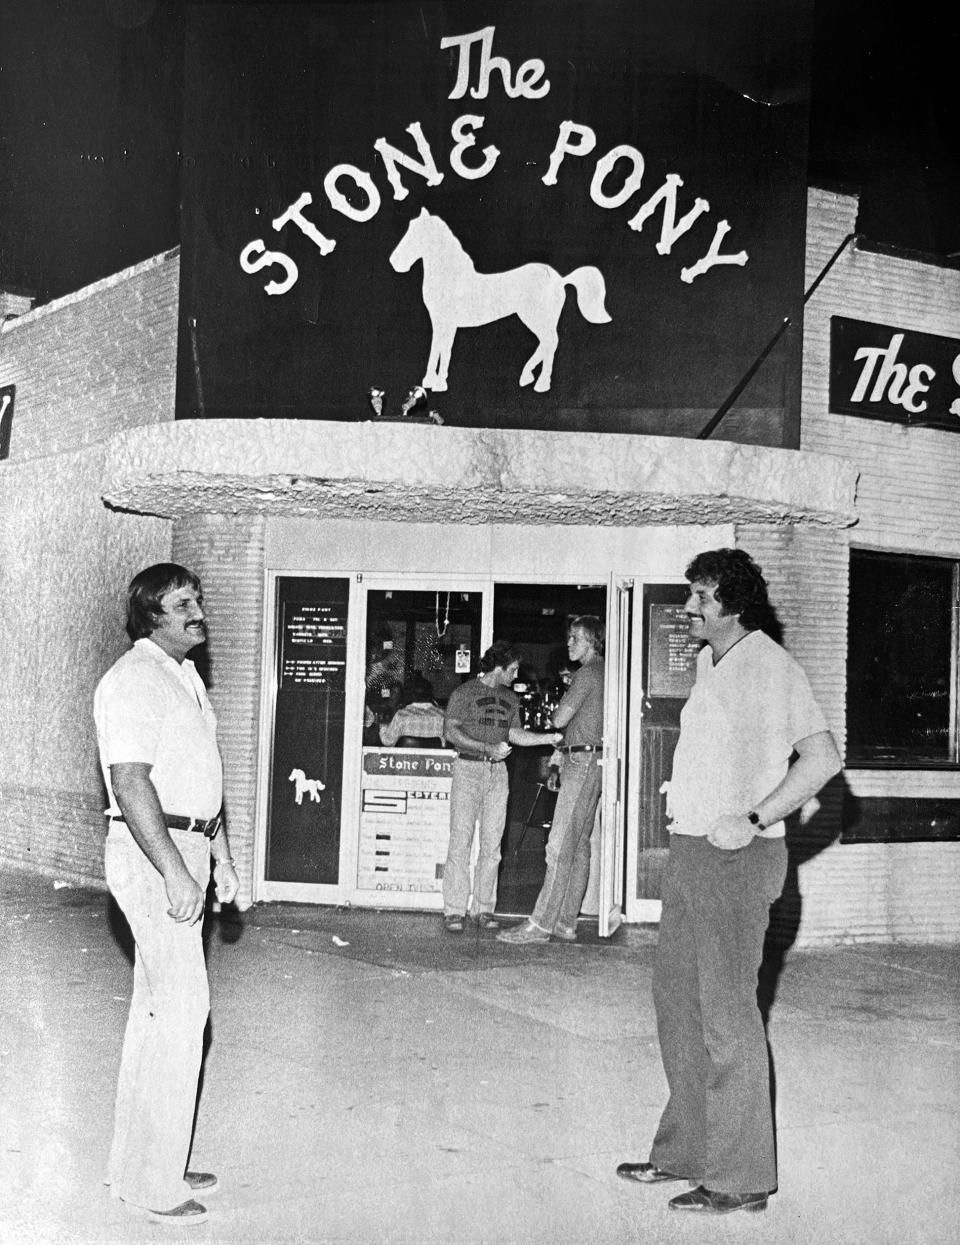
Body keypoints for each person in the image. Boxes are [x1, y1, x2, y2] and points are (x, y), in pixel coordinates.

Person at [616, 549, 841, 1216]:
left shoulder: (771, 664)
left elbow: (823, 758)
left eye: (700, 598)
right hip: (692, 849)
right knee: (677, 998)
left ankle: (741, 1178)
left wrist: (753, 815)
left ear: (731, 605)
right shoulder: (716, 660)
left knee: (725, 1012)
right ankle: (687, 1149)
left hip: (736, 861)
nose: (689, 608)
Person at [94, 564, 238, 1227]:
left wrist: (222, 857)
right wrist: (176, 870)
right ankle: (155, 1181)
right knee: (183, 1008)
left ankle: (144, 1163)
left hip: (192, 846)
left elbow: (201, 780)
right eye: (183, 603)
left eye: (197, 598)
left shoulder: (183, 677)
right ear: (152, 615)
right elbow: (130, 783)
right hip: (155, 854)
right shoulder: (133, 679)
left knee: (158, 1012)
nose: (197, 610)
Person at [498, 615, 605, 944]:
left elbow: (559, 718)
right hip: (591, 758)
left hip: (582, 762)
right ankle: (565, 922)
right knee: (579, 845)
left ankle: (540, 925)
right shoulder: (603, 672)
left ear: (592, 642)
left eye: (576, 638)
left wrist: (555, 713)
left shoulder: (586, 673)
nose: (569, 643)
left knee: (558, 846)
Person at [441, 641, 562, 933]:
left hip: (498, 774)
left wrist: (549, 738)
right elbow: (451, 731)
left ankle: (483, 909)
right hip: (468, 768)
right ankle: (454, 911)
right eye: (513, 669)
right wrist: (486, 746)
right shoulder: (464, 692)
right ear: (498, 668)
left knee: (492, 845)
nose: (516, 675)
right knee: (461, 841)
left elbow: (515, 734)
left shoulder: (510, 699)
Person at [379, 672, 446, 746]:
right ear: (430, 695)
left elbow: (387, 741)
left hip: (404, 757)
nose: (394, 695)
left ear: (410, 695)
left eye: (397, 693)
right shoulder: (442, 715)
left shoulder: (401, 715)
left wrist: (383, 726)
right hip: (434, 757)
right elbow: (446, 743)